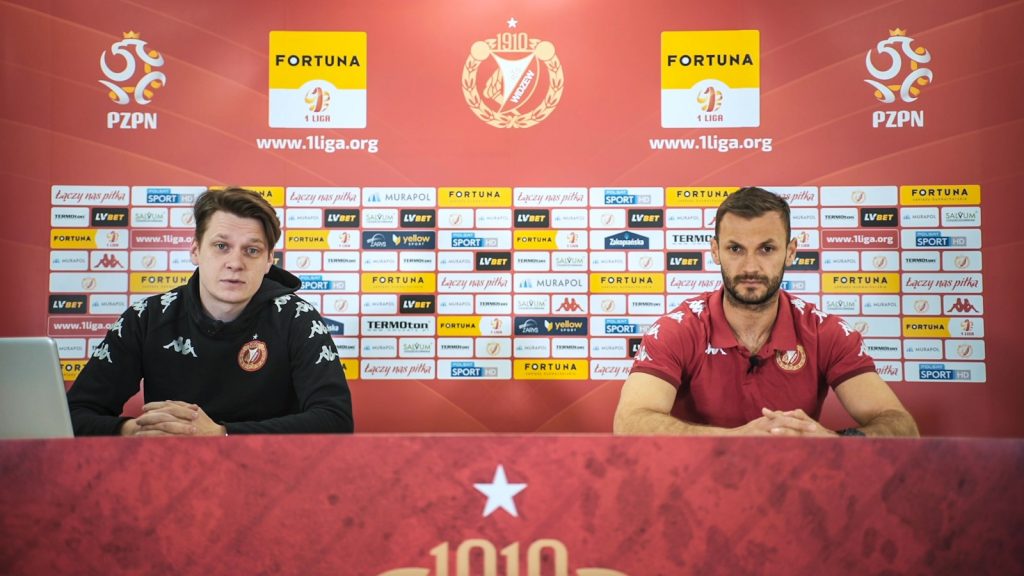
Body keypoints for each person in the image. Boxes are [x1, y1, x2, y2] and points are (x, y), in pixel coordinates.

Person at [614, 187, 917, 437]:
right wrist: (736, 440)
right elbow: (629, 422)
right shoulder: (677, 329)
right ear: (715, 250)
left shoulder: (826, 332)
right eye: (735, 249)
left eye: (766, 249)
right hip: (696, 483)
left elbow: (902, 426)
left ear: (791, 251)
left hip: (795, 484)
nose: (750, 267)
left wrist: (834, 442)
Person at [67, 187, 353, 436]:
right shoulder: (146, 318)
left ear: (269, 260)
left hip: (269, 472)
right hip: (171, 469)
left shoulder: (297, 318)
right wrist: (138, 430)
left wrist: (221, 434)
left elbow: (336, 420)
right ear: (195, 250)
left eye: (252, 250)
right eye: (221, 246)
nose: (235, 263)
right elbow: (73, 415)